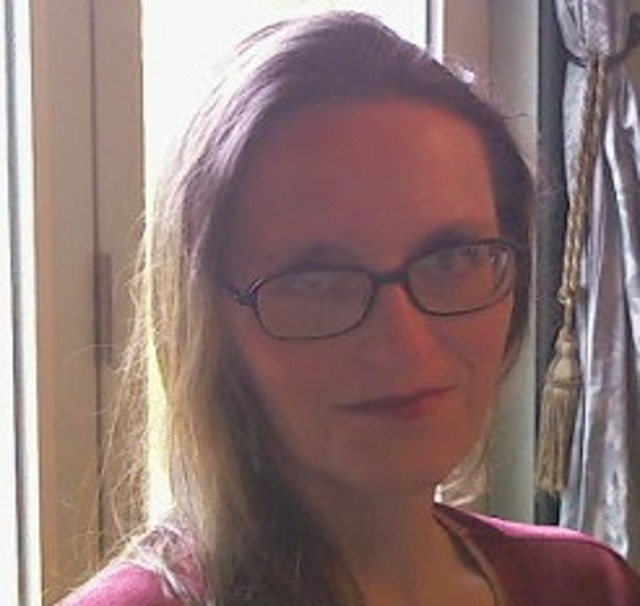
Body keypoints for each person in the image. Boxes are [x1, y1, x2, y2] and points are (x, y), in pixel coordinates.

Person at [60, 10, 640, 606]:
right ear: (210, 323)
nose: (405, 345)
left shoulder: (587, 585)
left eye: (451, 260)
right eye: (316, 281)